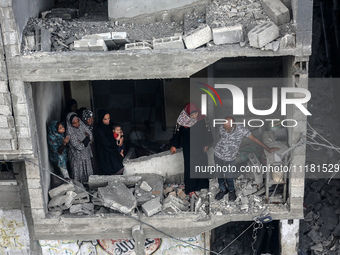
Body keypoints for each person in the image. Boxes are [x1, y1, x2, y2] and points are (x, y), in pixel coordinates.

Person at [214, 116, 278, 201]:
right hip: (218, 154)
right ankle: (223, 189)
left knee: (229, 176)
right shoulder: (222, 127)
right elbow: (221, 137)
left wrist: (268, 149)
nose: (226, 131)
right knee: (219, 174)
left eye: (228, 129)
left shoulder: (241, 130)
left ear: (233, 125)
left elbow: (254, 139)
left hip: (230, 158)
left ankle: (231, 191)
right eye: (224, 128)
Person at [170, 103, 213, 197]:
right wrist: (174, 145)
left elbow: (208, 131)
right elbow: (177, 133)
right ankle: (191, 189)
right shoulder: (182, 120)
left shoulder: (203, 118)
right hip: (188, 146)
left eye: (195, 114)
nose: (194, 116)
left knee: (202, 164)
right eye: (192, 115)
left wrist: (207, 144)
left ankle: (203, 185)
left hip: (201, 146)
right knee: (190, 166)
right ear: (187, 114)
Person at [66, 112, 93, 184]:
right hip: (77, 157)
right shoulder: (69, 133)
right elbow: (79, 147)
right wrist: (87, 138)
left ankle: (90, 188)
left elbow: (90, 134)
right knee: (78, 175)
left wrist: (83, 141)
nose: (77, 124)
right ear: (70, 123)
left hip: (86, 154)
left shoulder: (82, 125)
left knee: (88, 174)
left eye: (78, 121)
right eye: (74, 123)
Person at [95, 110, 124, 175]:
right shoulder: (100, 130)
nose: (108, 121)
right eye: (105, 119)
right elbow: (106, 144)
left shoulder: (110, 125)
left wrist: (121, 138)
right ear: (101, 119)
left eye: (109, 118)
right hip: (106, 152)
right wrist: (117, 144)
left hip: (112, 149)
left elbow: (118, 129)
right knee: (116, 168)